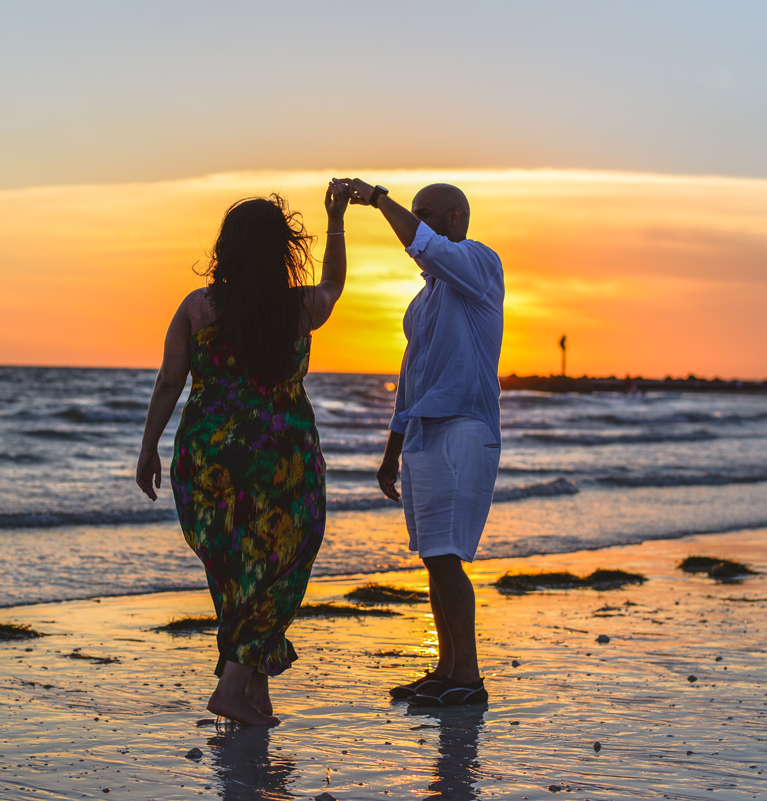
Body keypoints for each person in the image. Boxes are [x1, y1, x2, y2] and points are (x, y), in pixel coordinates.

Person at [135, 182, 350, 726]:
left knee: (237, 570)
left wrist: (148, 448)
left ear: (226, 247)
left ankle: (255, 693)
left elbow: (168, 383)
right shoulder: (300, 306)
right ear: (282, 249)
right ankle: (232, 689)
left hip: (207, 458)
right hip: (281, 459)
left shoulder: (198, 306)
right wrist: (336, 219)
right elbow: (334, 284)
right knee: (283, 564)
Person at [343, 178, 504, 707]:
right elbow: (409, 381)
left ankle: (470, 677)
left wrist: (377, 198)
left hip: (464, 427)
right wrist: (389, 453)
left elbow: (425, 245)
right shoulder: (422, 301)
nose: (417, 222)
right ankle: (447, 669)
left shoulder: (479, 265)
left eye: (427, 213)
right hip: (423, 433)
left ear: (456, 219)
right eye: (415, 212)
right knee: (434, 557)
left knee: (448, 555)